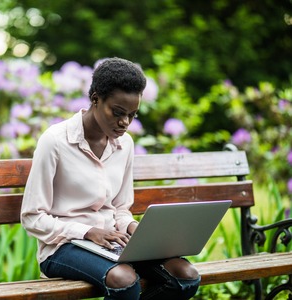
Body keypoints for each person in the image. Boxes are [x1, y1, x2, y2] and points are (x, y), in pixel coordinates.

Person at [20, 57, 201, 299]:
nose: (125, 122)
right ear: (95, 99)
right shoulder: (55, 141)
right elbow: (32, 217)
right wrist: (87, 231)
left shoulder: (124, 144)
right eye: (118, 112)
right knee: (123, 279)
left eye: (132, 115)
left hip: (113, 242)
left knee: (185, 275)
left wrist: (134, 228)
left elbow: (120, 209)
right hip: (63, 247)